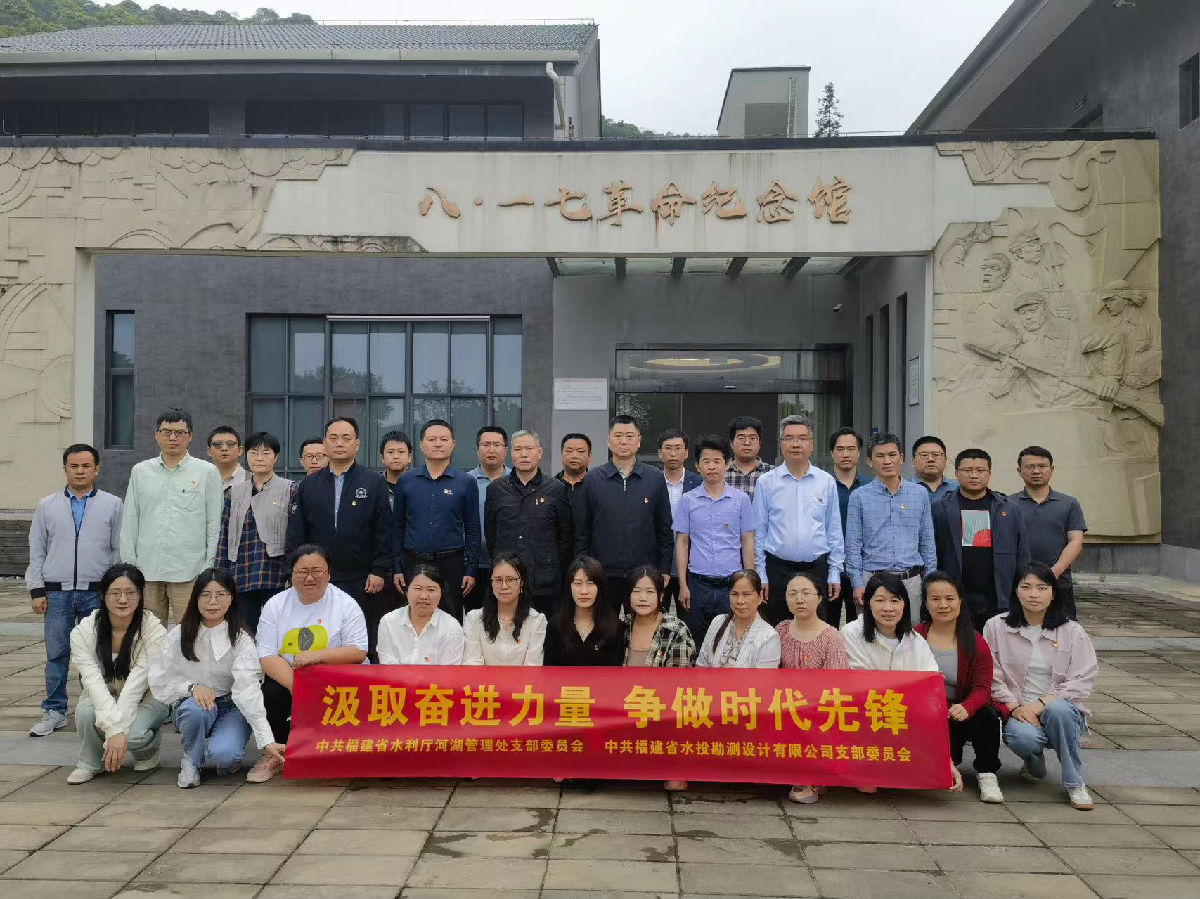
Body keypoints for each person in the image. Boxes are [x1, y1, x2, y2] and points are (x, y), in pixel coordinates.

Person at [149, 569, 284, 788]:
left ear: (231, 598)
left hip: (231, 705)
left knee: (225, 757)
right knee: (195, 710)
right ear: (195, 598)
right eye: (205, 595)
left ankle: (218, 749)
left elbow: (248, 690)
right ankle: (191, 759)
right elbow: (160, 679)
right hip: (193, 704)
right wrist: (192, 688)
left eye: (221, 594)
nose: (213, 602)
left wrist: (266, 740)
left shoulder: (241, 639)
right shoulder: (179, 635)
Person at [26, 444, 123, 738]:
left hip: (96, 593)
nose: (80, 471)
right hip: (57, 593)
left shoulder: (112, 504)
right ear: (65, 469)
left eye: (85, 466)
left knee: (95, 655)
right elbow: (37, 550)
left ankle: (92, 708)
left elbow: (117, 549)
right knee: (57, 654)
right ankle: (54, 710)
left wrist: (114, 590)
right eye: (74, 466)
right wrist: (36, 589)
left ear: (96, 470)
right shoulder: (47, 505)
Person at [984, 562, 1098, 811]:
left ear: (1053, 593)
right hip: (1020, 711)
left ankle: (1075, 783)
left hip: (1061, 710)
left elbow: (1083, 677)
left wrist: (1041, 703)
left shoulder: (1072, 631)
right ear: (1015, 591)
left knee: (1057, 710)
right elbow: (991, 675)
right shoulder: (996, 626)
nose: (1034, 594)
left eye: (1042, 587)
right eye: (1026, 587)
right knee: (1020, 737)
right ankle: (1033, 760)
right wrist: (1014, 707)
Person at [253, 544, 368, 782]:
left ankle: (343, 751)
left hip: (335, 675)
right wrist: (298, 686)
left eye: (317, 571)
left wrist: (318, 655)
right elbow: (267, 654)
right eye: (302, 571)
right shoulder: (276, 604)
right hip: (291, 675)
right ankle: (277, 753)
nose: (309, 578)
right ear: (292, 573)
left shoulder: (346, 603)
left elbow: (358, 651)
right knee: (269, 693)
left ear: (329, 573)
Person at [841, 572, 963, 795]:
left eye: (895, 600)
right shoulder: (851, 633)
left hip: (903, 717)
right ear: (867, 603)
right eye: (880, 600)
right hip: (865, 717)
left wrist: (946, 761)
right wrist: (906, 689)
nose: (888, 608)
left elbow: (931, 689)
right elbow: (858, 683)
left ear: (905, 604)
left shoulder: (915, 640)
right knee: (868, 787)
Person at [285, 417, 393, 658]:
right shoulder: (308, 485)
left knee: (361, 638)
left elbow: (384, 530)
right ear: (325, 443)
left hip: (362, 577)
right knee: (319, 635)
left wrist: (379, 569)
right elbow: (296, 532)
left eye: (346, 438)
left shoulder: (374, 482)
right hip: (317, 577)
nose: (339, 443)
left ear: (357, 444)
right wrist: (295, 571)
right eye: (333, 438)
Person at [66, 563, 170, 784]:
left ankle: (148, 752)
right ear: (103, 596)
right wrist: (114, 732)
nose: (123, 599)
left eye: (130, 592)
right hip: (107, 691)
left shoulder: (154, 630)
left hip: (149, 695)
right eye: (115, 593)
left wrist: (117, 731)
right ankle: (90, 762)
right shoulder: (84, 632)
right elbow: (92, 682)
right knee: (85, 712)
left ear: (140, 595)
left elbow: (136, 685)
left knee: (134, 735)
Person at [120, 408, 223, 627]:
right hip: (147, 569)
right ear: (156, 434)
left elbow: (214, 524)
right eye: (166, 432)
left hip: (190, 570)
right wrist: (130, 566)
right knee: (148, 633)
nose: (173, 437)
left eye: (179, 432)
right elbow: (130, 520)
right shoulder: (140, 471)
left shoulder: (207, 472)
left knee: (190, 632)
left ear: (190, 436)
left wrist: (208, 566)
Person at [916, 572, 1004, 804]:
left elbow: (983, 687)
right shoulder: (915, 637)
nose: (943, 605)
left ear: (960, 601)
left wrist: (967, 707)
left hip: (961, 711)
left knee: (987, 716)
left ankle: (987, 774)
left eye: (949, 598)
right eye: (935, 599)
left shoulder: (975, 641)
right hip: (928, 714)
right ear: (926, 603)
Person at [573, 415, 673, 612]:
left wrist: (663, 569)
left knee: (641, 624)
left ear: (639, 440)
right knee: (604, 625)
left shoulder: (654, 478)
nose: (624, 441)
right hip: (602, 572)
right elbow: (582, 531)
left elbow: (664, 529)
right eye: (618, 436)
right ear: (608, 440)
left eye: (629, 436)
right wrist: (583, 568)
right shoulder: (593, 479)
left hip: (643, 574)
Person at [753, 415, 844, 627]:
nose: (795, 444)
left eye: (802, 438)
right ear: (781, 444)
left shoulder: (826, 482)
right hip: (777, 570)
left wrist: (834, 572)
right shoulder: (766, 482)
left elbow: (833, 530)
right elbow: (759, 531)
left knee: (815, 631)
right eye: (789, 438)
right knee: (778, 631)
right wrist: (761, 574)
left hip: (816, 570)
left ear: (811, 445)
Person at [932, 449, 1031, 630]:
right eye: (967, 470)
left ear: (989, 473)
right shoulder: (940, 509)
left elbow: (1022, 551)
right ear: (956, 473)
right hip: (956, 595)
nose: (974, 475)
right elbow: (934, 550)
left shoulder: (1009, 509)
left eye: (980, 470)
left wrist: (1023, 587)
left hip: (999, 595)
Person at [393, 419, 481, 622]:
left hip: (452, 563)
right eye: (432, 439)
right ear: (421, 445)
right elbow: (398, 527)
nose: (438, 444)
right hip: (414, 561)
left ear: (453, 444)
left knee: (451, 619)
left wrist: (471, 569)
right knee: (414, 618)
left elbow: (473, 529)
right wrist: (397, 567)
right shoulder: (406, 481)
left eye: (444, 439)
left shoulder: (466, 482)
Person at [845, 432, 936, 625]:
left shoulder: (920, 494)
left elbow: (927, 543)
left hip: (911, 582)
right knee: (871, 636)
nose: (887, 461)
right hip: (873, 580)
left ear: (901, 458)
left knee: (911, 635)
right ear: (869, 461)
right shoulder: (859, 496)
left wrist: (929, 583)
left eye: (892, 455)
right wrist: (857, 583)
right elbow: (853, 545)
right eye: (880, 456)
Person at [776, 571, 850, 804]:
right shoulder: (780, 630)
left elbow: (837, 686)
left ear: (819, 598)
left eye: (806, 593)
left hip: (818, 709)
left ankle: (811, 777)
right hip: (785, 705)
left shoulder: (831, 636)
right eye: (793, 594)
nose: (799, 599)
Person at [674, 435, 755, 645]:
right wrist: (683, 584)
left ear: (727, 464)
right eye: (706, 461)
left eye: (717, 461)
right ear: (697, 465)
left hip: (731, 584)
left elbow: (747, 541)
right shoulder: (688, 500)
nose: (712, 466)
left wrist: (750, 582)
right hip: (698, 584)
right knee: (697, 641)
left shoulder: (741, 500)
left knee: (731, 640)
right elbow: (682, 543)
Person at [623, 564, 696, 792]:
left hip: (662, 716)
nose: (642, 598)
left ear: (661, 596)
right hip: (623, 714)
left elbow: (679, 687)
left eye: (649, 592)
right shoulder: (621, 627)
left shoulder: (676, 630)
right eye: (636, 591)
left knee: (675, 784)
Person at [486, 430, 574, 616]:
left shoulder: (556, 489)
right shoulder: (496, 489)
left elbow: (564, 537)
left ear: (539, 453)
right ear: (511, 453)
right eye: (518, 449)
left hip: (544, 582)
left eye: (529, 449)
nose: (524, 454)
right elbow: (491, 534)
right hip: (507, 580)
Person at [217, 432, 295, 635]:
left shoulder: (290, 489)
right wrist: (221, 573)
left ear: (276, 457)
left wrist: (292, 571)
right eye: (254, 452)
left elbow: (295, 534)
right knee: (244, 630)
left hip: (275, 572)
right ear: (246, 455)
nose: (259, 458)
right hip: (241, 571)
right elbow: (224, 534)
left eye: (266, 453)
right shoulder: (234, 492)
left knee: (278, 628)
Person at [1009, 446, 1086, 620]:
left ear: (1052, 469)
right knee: (1018, 628)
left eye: (1042, 466)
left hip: (1059, 581)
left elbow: (1076, 541)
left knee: (1062, 629)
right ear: (1019, 471)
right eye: (1030, 467)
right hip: (1020, 581)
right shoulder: (1008, 504)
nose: (1036, 471)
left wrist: (1055, 571)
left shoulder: (1069, 504)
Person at [463, 553, 546, 665]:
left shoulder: (536, 621)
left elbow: (533, 666)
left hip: (524, 677)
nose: (504, 586)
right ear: (491, 584)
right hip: (483, 677)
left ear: (521, 583)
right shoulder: (474, 619)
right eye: (498, 580)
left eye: (510, 580)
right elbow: (472, 661)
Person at [376, 564, 466, 665]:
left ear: (441, 593)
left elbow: (450, 671)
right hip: (396, 676)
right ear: (406, 591)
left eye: (431, 590)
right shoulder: (388, 622)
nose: (423, 596)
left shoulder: (451, 627)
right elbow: (388, 667)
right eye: (418, 588)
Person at [545, 556, 623, 666]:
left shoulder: (614, 627)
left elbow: (615, 671)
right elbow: (548, 670)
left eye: (590, 583)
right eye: (577, 583)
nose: (584, 591)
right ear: (569, 587)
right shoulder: (555, 626)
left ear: (600, 587)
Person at [696, 569, 781, 669]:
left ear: (760, 597)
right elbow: (701, 666)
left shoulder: (769, 637)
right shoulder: (718, 622)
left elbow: (765, 678)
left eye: (746, 594)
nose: (740, 601)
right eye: (735, 594)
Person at [468, 426, 511, 615]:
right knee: (475, 616)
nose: (491, 450)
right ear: (477, 449)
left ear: (506, 450)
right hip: (473, 564)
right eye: (486, 445)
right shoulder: (465, 481)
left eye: (497, 445)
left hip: (508, 563)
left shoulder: (516, 481)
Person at [658, 428, 701, 612]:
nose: (673, 453)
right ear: (660, 453)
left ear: (687, 453)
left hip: (691, 568)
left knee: (690, 620)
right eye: (668, 448)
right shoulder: (651, 482)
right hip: (659, 567)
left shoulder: (699, 484)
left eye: (678, 448)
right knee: (657, 619)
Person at [829, 427, 866, 627]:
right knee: (828, 624)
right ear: (832, 452)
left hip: (861, 567)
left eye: (851, 449)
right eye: (840, 449)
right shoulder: (822, 485)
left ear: (859, 453)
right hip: (829, 566)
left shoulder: (869, 487)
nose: (846, 454)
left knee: (859, 626)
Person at [725, 415, 773, 500]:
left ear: (759, 444)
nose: (747, 443)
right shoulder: (720, 472)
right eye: (741, 438)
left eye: (752, 438)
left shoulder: (773, 473)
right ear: (731, 444)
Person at [910, 436, 958, 501]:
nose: (930, 459)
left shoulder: (958, 489)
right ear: (913, 461)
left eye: (936, 455)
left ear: (945, 460)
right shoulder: (901, 488)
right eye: (924, 455)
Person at [207, 425, 247, 493]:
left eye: (230, 444)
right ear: (209, 451)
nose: (224, 448)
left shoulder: (252, 480)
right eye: (217, 445)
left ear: (240, 451)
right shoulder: (201, 479)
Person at [555, 432, 592, 503]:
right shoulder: (550, 487)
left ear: (589, 456)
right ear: (561, 454)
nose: (574, 456)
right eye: (569, 451)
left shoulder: (597, 486)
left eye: (580, 451)